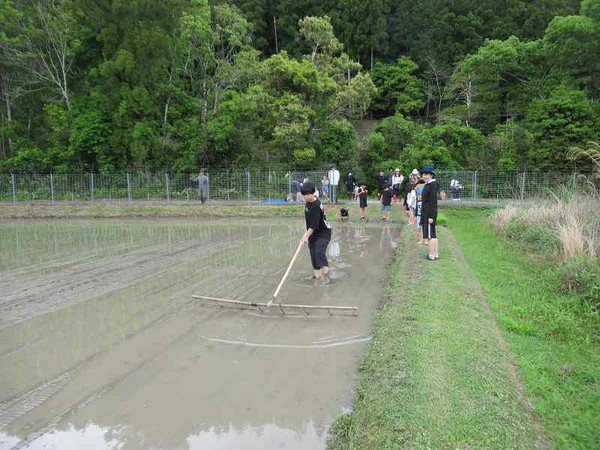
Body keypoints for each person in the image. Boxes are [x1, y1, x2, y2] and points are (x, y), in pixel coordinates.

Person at [300, 182, 332, 279]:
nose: (305, 197)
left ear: (313, 193)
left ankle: (326, 268)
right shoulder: (308, 202)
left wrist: (304, 237)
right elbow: (310, 225)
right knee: (314, 257)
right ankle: (317, 277)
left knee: (319, 250)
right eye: (304, 195)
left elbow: (313, 226)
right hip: (313, 234)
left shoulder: (316, 206)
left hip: (323, 232)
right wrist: (306, 236)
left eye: (307, 195)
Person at [420, 166, 439, 260]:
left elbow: (433, 201)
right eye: (423, 174)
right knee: (433, 234)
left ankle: (431, 255)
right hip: (428, 212)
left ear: (431, 175)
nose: (425, 176)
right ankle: (435, 254)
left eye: (427, 174)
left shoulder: (431, 185)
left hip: (429, 214)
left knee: (430, 235)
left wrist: (431, 216)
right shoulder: (430, 184)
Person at [414, 179, 426, 243]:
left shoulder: (425, 203)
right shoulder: (417, 202)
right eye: (418, 195)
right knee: (419, 228)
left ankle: (425, 240)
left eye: (421, 195)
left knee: (424, 228)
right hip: (418, 216)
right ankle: (421, 239)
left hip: (423, 216)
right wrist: (415, 216)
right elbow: (416, 210)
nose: (419, 196)